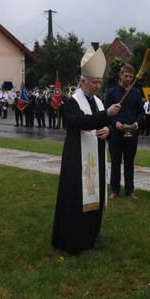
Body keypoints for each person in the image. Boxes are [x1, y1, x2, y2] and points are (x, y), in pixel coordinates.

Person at [52, 44, 121, 254]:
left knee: (96, 194)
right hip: (76, 157)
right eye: (93, 82)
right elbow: (81, 121)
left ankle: (92, 233)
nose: (97, 85)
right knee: (76, 196)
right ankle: (74, 237)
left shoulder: (99, 102)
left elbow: (103, 123)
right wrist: (106, 116)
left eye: (100, 82)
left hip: (96, 157)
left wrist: (108, 129)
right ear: (83, 81)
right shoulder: (72, 102)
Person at [104, 64, 144, 199]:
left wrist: (137, 122)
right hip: (116, 133)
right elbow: (106, 113)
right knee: (115, 162)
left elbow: (140, 112)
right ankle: (114, 190)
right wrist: (115, 123)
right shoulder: (111, 92)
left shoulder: (136, 93)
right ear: (120, 76)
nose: (128, 79)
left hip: (131, 132)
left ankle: (130, 190)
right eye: (126, 76)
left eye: (131, 77)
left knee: (129, 162)